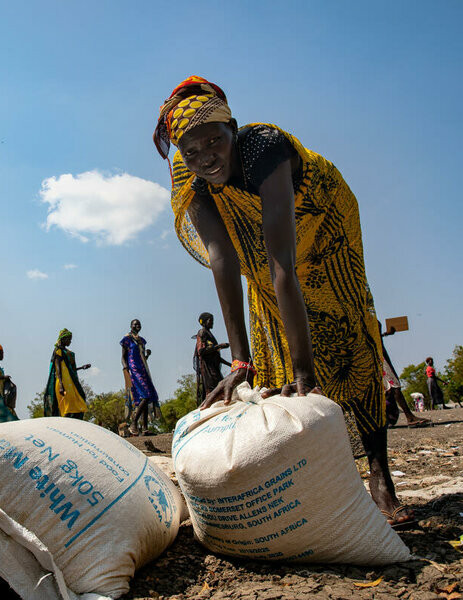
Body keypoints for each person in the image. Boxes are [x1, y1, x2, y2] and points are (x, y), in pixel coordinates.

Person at [153, 76, 411, 527]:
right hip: (265, 252)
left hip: (324, 224)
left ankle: (380, 473)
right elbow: (222, 259)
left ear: (232, 128)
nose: (205, 158)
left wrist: (305, 372)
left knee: (349, 333)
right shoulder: (189, 177)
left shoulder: (262, 146)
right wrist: (240, 362)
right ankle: (329, 475)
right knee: (271, 326)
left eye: (214, 141)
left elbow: (282, 265)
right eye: (191, 152)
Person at [380, 325, 429, 427]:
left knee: (389, 387)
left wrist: (386, 334)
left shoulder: (367, 313)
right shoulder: (362, 315)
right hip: (378, 355)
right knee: (393, 385)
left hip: (380, 353)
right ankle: (409, 417)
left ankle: (388, 418)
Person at [121, 319, 159, 435]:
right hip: (134, 370)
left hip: (143, 370)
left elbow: (141, 359)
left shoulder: (141, 341)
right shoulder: (127, 339)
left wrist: (147, 355)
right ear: (131, 326)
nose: (137, 326)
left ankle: (145, 428)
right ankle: (134, 423)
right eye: (135, 324)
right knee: (145, 395)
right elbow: (123, 357)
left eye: (139, 324)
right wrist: (126, 369)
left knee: (147, 396)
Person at [43, 329, 91, 419]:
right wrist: (61, 385)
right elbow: (58, 369)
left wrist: (82, 367)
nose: (70, 341)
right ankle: (65, 422)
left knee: (80, 398)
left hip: (70, 382)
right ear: (63, 339)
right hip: (63, 382)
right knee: (67, 405)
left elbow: (69, 369)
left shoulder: (67, 352)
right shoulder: (58, 351)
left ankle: (72, 421)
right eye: (69, 339)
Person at [193, 312, 231, 405]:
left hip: (213, 367)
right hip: (208, 369)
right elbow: (201, 351)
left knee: (220, 388)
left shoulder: (209, 333)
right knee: (213, 390)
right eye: (210, 321)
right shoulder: (202, 332)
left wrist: (230, 364)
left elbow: (215, 356)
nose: (212, 323)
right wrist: (219, 346)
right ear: (205, 322)